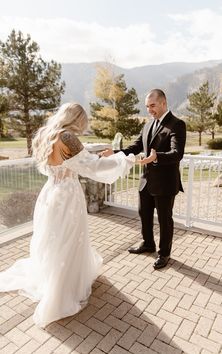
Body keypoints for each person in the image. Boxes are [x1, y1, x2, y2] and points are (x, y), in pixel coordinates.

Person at [0, 102, 137, 328]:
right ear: (77, 119)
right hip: (67, 197)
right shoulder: (68, 138)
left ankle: (52, 279)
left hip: (49, 194)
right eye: (83, 122)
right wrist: (127, 159)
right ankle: (62, 291)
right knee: (69, 240)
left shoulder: (46, 134)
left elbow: (63, 163)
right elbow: (93, 167)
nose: (83, 127)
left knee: (52, 240)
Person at [101, 89, 186, 269]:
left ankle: (164, 253)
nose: (150, 110)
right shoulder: (148, 125)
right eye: (147, 107)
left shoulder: (177, 124)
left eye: (153, 105)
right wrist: (115, 153)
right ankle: (148, 244)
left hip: (165, 183)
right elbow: (136, 146)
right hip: (146, 180)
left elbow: (177, 154)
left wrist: (157, 157)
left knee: (164, 219)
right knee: (143, 214)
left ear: (163, 102)